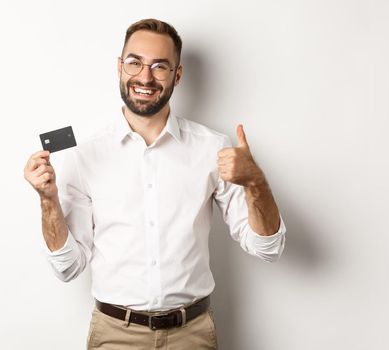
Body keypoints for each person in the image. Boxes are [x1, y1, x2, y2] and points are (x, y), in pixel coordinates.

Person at [22, 18, 286, 349]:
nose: (145, 77)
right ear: (120, 66)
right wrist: (48, 200)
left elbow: (268, 248)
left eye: (160, 66)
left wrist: (255, 182)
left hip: (192, 335)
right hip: (115, 335)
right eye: (135, 62)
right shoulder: (84, 155)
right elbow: (68, 268)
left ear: (177, 75)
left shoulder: (213, 148)